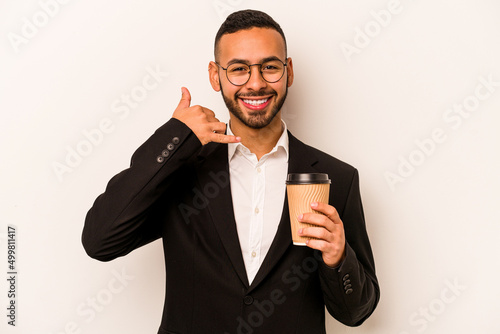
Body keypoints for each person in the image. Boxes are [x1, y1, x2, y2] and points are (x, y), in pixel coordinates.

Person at [82, 9, 379, 334]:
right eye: (239, 69)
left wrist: (339, 258)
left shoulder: (337, 178)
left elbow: (356, 313)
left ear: (288, 71)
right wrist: (174, 138)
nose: (256, 83)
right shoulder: (182, 168)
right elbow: (100, 241)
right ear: (215, 75)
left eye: (269, 67)